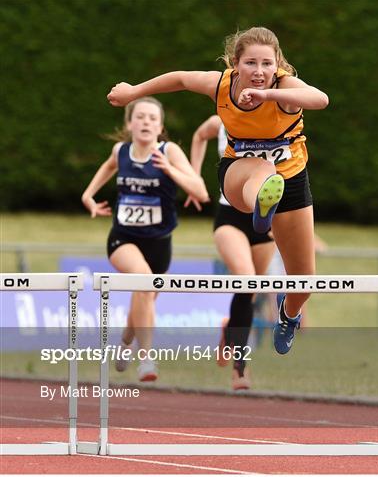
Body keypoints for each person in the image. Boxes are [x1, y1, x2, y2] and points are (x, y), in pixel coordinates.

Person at [107, 26, 329, 355]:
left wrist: (268, 96)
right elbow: (180, 78)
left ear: (278, 64)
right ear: (235, 64)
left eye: (267, 64)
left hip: (293, 180)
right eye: (251, 63)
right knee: (264, 172)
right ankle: (262, 207)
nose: (259, 72)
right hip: (238, 174)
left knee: (304, 280)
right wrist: (133, 92)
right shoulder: (221, 85)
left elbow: (320, 99)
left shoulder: (285, 87)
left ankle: (289, 313)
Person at [81, 97, 209, 381]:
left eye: (152, 118)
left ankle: (126, 340)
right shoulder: (121, 151)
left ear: (160, 126)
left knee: (144, 297)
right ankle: (147, 359)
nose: (146, 122)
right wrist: (88, 196)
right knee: (142, 281)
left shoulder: (170, 151)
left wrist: (169, 169)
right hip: (122, 239)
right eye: (140, 117)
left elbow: (200, 192)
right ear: (129, 123)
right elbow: (108, 166)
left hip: (159, 243)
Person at [188, 114, 276, 390]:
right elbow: (199, 136)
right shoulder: (219, 121)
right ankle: (241, 367)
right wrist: (194, 179)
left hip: (265, 220)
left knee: (250, 292)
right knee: (247, 279)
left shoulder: (276, 119)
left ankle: (230, 329)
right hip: (229, 216)